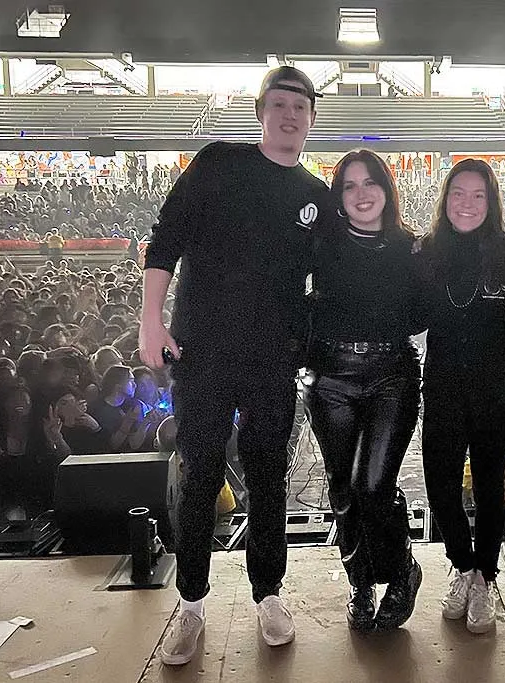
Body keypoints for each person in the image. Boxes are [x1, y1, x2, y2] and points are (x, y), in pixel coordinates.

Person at [139, 66, 329, 667]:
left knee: (269, 477)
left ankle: (269, 593)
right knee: (201, 475)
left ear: (312, 120)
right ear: (260, 113)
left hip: (272, 359)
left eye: (300, 107)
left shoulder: (315, 197)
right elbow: (166, 237)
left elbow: (326, 282)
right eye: (278, 105)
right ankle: (191, 603)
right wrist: (151, 319)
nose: (289, 116)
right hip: (202, 350)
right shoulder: (218, 162)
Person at [304, 150, 423, 633]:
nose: (361, 193)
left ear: (386, 188)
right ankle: (361, 583)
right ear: (339, 196)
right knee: (342, 489)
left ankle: (401, 570)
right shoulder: (321, 243)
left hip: (391, 373)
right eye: (349, 185)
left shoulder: (412, 248)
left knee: (372, 484)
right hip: (330, 376)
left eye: (370, 182)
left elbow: (424, 312)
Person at [415, 158, 505, 634]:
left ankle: (485, 577)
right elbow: (405, 313)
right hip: (441, 386)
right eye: (459, 193)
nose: (467, 203)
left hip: (495, 391)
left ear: (491, 201)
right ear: (446, 199)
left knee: (489, 487)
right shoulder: (425, 252)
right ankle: (463, 565)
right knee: (440, 485)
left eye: (479, 195)